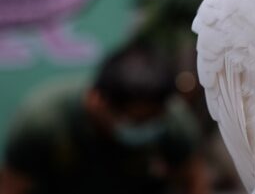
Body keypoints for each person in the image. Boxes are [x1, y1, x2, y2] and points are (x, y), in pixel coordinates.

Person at [0, 44, 209, 194]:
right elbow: (13, 186)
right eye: (135, 121)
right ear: (96, 101)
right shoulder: (42, 121)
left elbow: (193, 180)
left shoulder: (172, 120)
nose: (146, 128)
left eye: (152, 120)